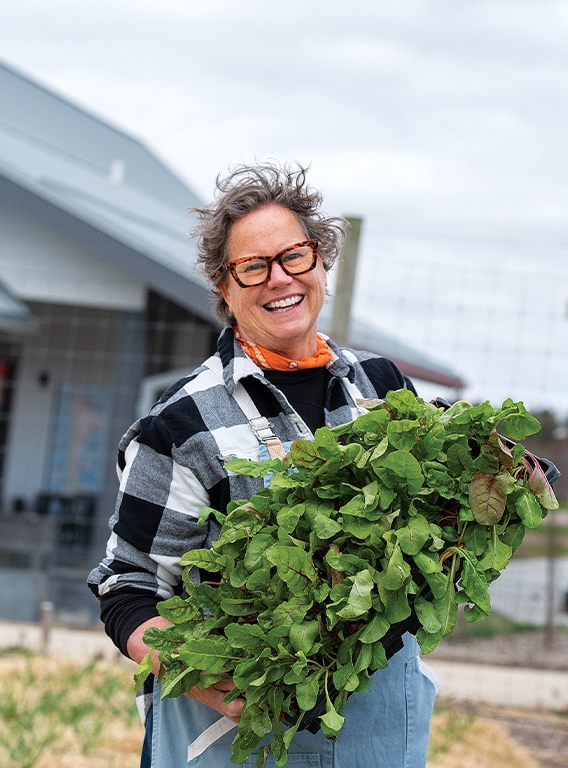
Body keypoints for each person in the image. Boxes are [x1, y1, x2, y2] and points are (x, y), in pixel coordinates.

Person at [87, 161, 438, 767]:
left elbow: (464, 488)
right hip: (233, 726)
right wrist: (199, 674)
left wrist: (513, 474)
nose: (279, 279)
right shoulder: (181, 425)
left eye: (294, 256)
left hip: (374, 720)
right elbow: (128, 588)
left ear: (321, 262)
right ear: (225, 288)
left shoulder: (384, 390)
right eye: (252, 266)